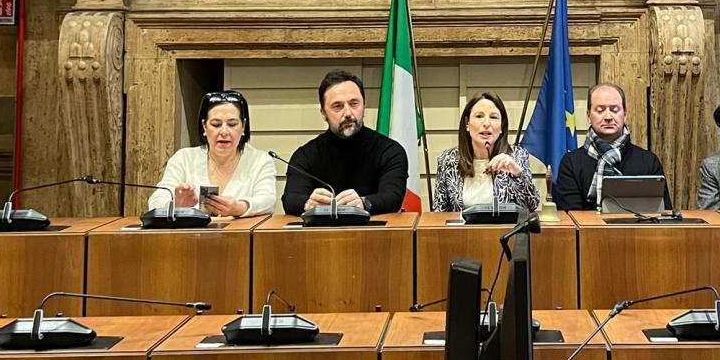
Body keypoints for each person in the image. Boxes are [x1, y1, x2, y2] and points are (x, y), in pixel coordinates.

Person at [281, 69, 409, 215]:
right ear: (323, 113)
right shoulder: (305, 155)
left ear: (364, 106)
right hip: (321, 228)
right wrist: (307, 204)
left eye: (354, 104)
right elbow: (290, 200)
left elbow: (392, 197)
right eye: (338, 106)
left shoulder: (390, 151)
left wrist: (364, 203)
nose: (348, 113)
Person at [149, 90, 277, 217]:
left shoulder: (260, 160)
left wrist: (240, 207)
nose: (224, 132)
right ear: (204, 126)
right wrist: (175, 205)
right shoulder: (184, 159)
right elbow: (156, 201)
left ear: (243, 126)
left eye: (232, 124)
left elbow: (268, 201)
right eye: (216, 124)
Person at [554, 83, 670, 211]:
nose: (608, 117)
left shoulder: (649, 161)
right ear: (588, 116)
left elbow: (663, 213)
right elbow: (570, 216)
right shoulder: (571, 163)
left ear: (625, 115)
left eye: (614, 110)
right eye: (600, 110)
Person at [433, 92, 541, 212]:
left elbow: (532, 205)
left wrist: (518, 174)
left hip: (506, 225)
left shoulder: (517, 156)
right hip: (462, 225)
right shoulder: (448, 160)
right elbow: (439, 212)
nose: (486, 123)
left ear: (501, 126)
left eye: (493, 117)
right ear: (467, 123)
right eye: (479, 116)